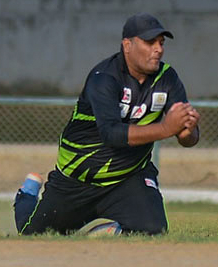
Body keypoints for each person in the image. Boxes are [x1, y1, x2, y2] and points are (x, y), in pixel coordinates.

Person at [13, 13, 200, 235]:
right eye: (150, 42)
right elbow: (111, 134)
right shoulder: (103, 77)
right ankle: (28, 193)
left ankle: (111, 232)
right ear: (127, 45)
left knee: (153, 231)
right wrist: (165, 129)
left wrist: (186, 132)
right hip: (77, 181)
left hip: (128, 178)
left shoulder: (167, 78)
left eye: (161, 43)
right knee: (33, 235)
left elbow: (189, 138)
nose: (158, 49)